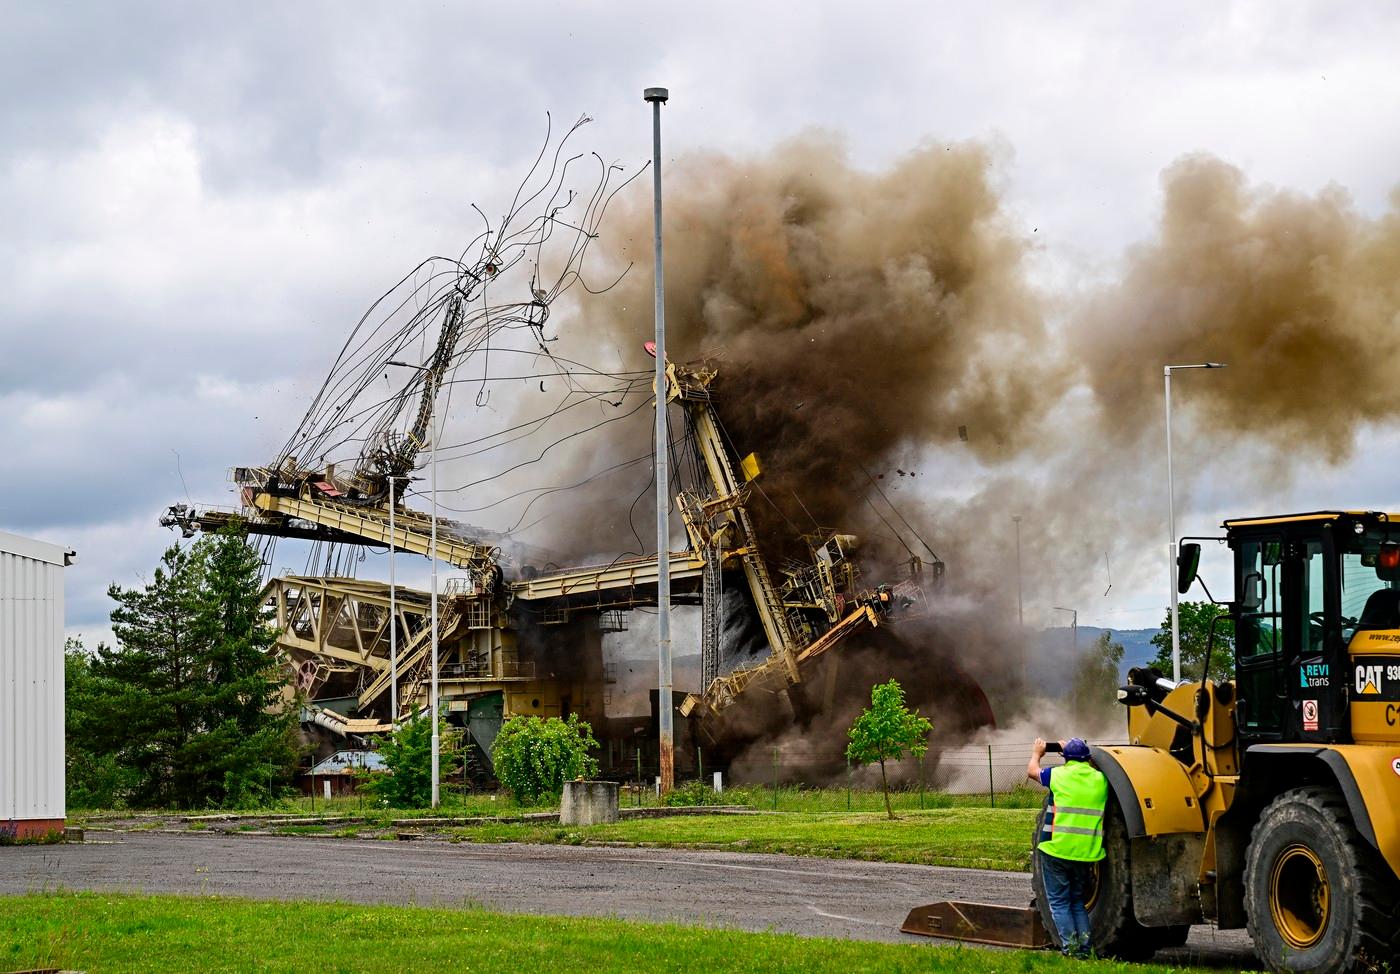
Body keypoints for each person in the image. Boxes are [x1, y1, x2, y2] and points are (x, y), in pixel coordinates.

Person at [1027, 736, 1108, 958]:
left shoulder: (1059, 775)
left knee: (1059, 903)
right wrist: (1073, 751)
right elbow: (1086, 766)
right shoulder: (1100, 780)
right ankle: (1084, 949)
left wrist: (1037, 753)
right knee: (1077, 902)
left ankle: (1070, 949)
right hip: (1085, 854)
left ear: (1066, 758)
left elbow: (1032, 771)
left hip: (1057, 851)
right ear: (1087, 758)